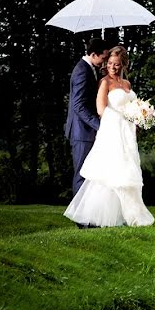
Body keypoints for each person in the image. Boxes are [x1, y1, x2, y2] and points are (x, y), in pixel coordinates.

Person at [64, 45, 155, 227]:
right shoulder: (104, 82)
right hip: (113, 132)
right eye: (111, 63)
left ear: (123, 65)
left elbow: (131, 107)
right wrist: (122, 121)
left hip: (127, 135)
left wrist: (140, 116)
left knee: (126, 171)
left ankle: (127, 214)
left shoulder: (127, 84)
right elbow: (101, 109)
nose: (113, 67)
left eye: (117, 64)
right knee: (110, 172)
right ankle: (93, 218)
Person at [65, 37, 111, 198]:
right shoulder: (81, 71)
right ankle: (81, 220)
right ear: (93, 54)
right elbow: (78, 106)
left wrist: (100, 75)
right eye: (103, 58)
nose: (104, 62)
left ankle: (88, 215)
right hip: (81, 132)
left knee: (91, 173)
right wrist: (100, 125)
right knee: (82, 174)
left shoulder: (90, 68)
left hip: (86, 132)